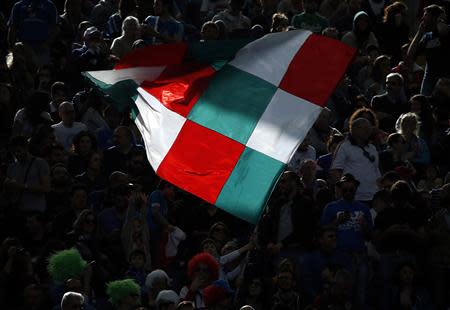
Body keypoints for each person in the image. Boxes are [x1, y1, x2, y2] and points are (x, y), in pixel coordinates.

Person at [331, 118, 381, 202]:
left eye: (369, 128)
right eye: (364, 128)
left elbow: (376, 170)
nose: (368, 131)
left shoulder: (372, 148)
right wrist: (342, 192)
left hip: (373, 196)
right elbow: (335, 170)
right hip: (354, 197)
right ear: (354, 129)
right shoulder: (345, 147)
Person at [407, 4, 450, 96]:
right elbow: (410, 53)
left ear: (435, 17)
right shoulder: (427, 37)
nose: (423, 18)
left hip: (446, 77)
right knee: (425, 102)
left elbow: (443, 31)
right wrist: (419, 33)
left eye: (426, 15)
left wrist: (439, 20)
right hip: (430, 76)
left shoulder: (447, 29)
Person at [4, 136, 50, 213]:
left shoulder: (40, 163)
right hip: (17, 209)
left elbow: (46, 188)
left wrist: (21, 186)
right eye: (13, 152)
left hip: (34, 210)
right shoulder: (11, 167)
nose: (16, 154)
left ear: (25, 148)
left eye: (18, 151)